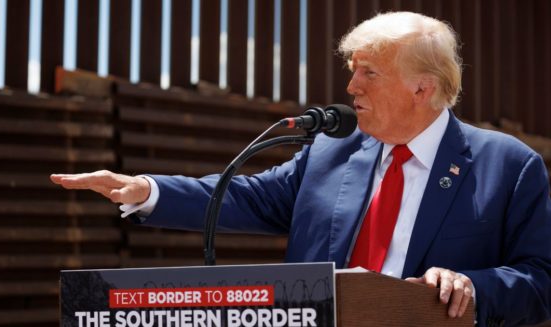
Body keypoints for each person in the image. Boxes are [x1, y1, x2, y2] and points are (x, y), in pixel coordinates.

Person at [51, 12, 551, 326]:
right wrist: (144, 189)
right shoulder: (333, 151)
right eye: (352, 70)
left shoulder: (508, 166)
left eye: (368, 73)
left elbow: (539, 281)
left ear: (421, 89)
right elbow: (247, 197)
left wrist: (472, 285)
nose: (351, 88)